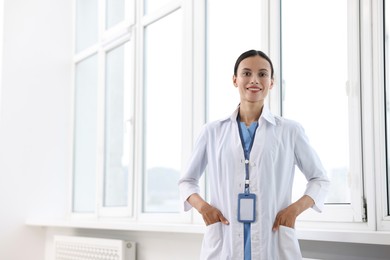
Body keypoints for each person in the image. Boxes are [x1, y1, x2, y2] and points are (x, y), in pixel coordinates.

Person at [178, 50, 330, 260]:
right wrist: (204, 208)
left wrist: (294, 210)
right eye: (247, 73)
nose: (254, 80)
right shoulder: (212, 131)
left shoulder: (290, 131)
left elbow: (319, 179)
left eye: (262, 74)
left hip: (274, 240)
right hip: (224, 241)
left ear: (272, 82)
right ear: (235, 80)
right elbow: (187, 181)